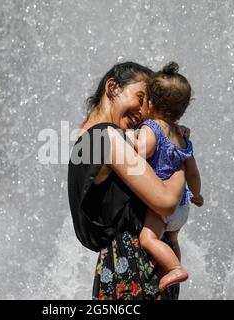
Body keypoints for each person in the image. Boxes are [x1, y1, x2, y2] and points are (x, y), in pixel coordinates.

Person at [68, 62, 189, 300]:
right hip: (134, 274)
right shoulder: (107, 138)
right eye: (140, 97)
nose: (144, 112)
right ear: (113, 88)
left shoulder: (87, 141)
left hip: (122, 270)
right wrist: (179, 155)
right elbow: (165, 201)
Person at [127, 62, 203, 292]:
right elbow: (192, 171)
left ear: (150, 102)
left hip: (161, 205)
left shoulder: (152, 129)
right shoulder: (182, 137)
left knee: (148, 239)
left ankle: (175, 269)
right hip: (182, 206)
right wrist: (197, 194)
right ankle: (172, 269)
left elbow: (142, 152)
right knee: (172, 240)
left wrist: (130, 136)